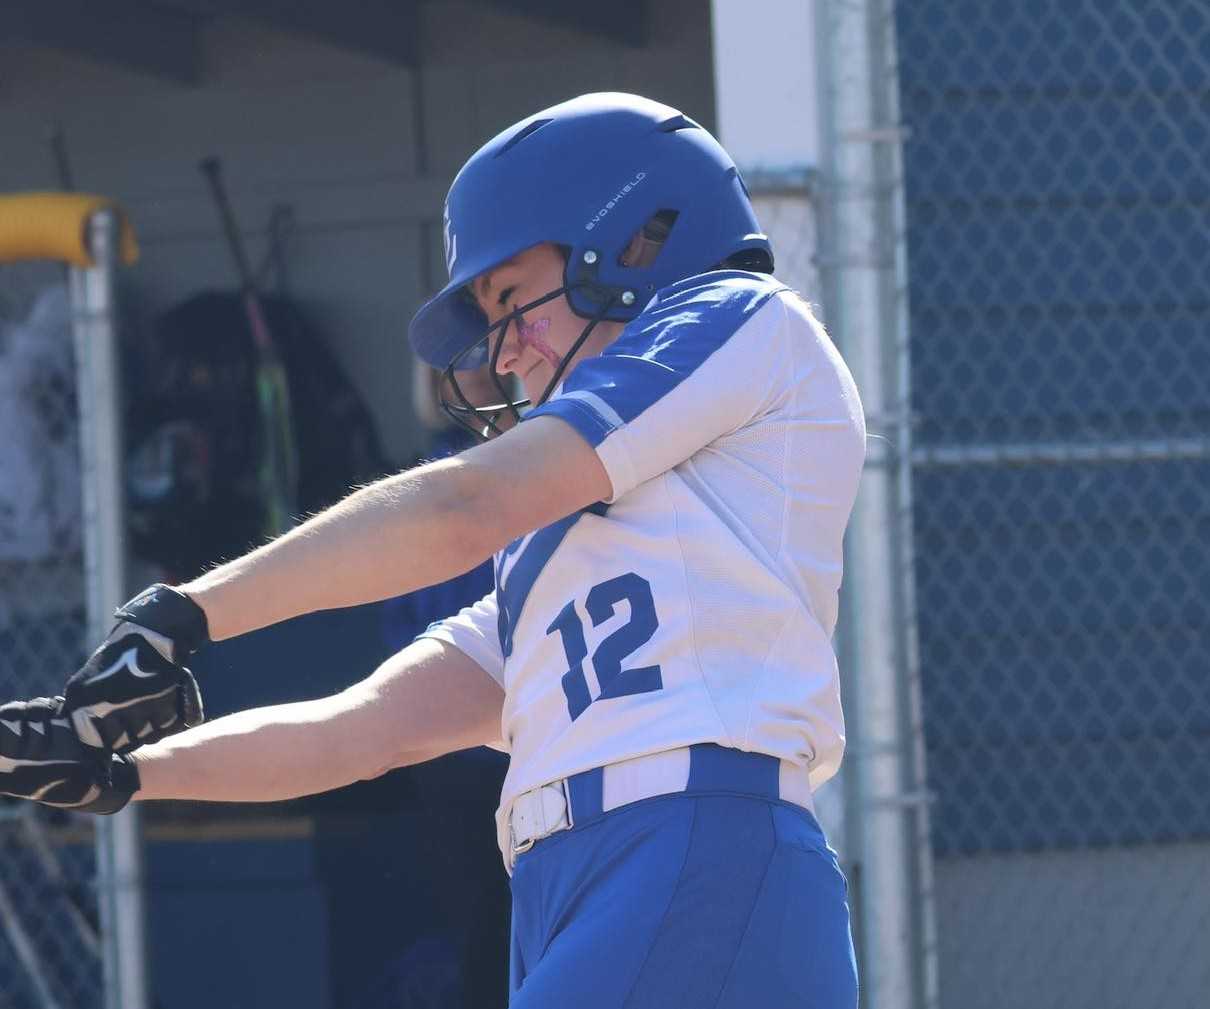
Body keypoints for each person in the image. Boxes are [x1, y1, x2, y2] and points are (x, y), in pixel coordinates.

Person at [0, 93, 865, 1008]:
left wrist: (182, 610)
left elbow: (460, 502)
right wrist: (127, 772)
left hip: (697, 852)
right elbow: (359, 729)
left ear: (636, 238)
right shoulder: (552, 555)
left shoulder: (738, 315)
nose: (501, 353)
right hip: (581, 882)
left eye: (510, 297)